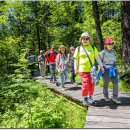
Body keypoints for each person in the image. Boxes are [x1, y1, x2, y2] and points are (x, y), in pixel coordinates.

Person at [73, 32, 104, 106]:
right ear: (81, 40)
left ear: (89, 40)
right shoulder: (78, 48)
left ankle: (89, 96)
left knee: (91, 84)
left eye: (87, 38)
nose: (85, 40)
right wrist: (75, 68)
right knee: (85, 83)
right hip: (82, 69)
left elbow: (97, 58)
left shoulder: (93, 48)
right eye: (83, 38)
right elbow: (76, 59)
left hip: (92, 70)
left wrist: (101, 66)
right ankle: (85, 98)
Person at [98, 37, 121, 104]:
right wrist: (102, 68)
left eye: (111, 44)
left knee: (116, 83)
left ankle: (115, 97)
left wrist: (117, 69)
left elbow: (114, 62)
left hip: (113, 69)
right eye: (108, 44)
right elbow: (99, 61)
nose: (110, 45)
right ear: (106, 45)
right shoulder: (102, 52)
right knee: (106, 83)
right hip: (106, 69)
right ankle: (106, 96)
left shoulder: (114, 52)